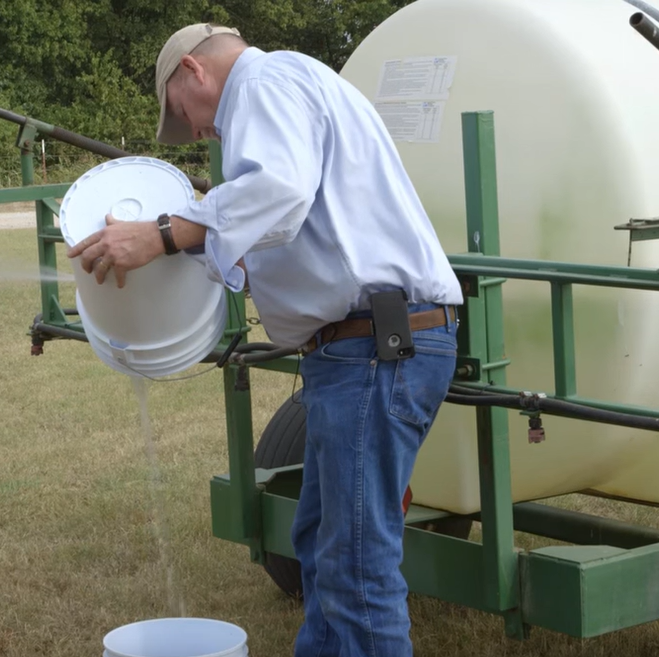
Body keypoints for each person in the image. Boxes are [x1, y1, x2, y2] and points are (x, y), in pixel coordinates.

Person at [66, 23, 464, 657]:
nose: (196, 131)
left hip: (375, 349)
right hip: (360, 350)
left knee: (356, 570)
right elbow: (283, 235)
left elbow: (277, 193)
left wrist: (165, 232)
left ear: (195, 73)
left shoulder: (265, 80)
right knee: (322, 549)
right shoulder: (289, 87)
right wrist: (161, 248)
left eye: (183, 114)